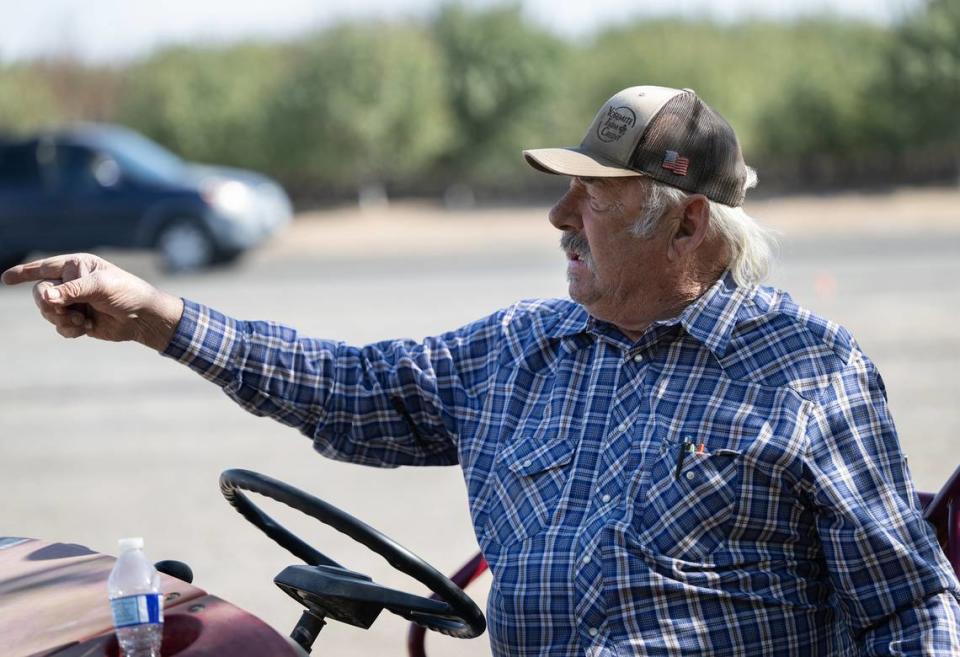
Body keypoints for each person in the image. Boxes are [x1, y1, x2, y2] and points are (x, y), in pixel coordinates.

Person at [4, 85, 959, 656]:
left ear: (685, 221)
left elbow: (908, 606)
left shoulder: (808, 373)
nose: (558, 217)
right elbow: (347, 386)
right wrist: (160, 319)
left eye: (592, 196)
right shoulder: (518, 349)